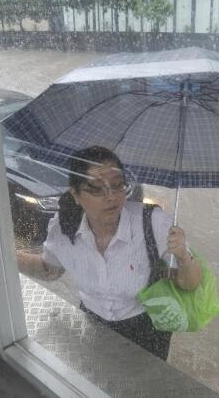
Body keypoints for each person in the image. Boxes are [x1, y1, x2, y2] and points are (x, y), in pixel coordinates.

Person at [17, 146, 202, 361]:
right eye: (97, 188)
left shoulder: (152, 222)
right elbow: (49, 270)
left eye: (117, 186)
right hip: (92, 322)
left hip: (148, 327)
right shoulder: (64, 230)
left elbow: (191, 283)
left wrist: (183, 257)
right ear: (75, 194)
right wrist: (5, 256)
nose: (111, 197)